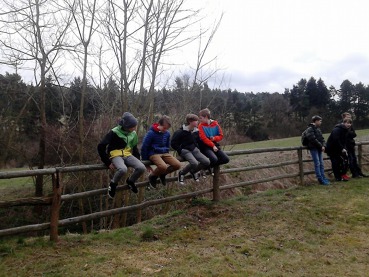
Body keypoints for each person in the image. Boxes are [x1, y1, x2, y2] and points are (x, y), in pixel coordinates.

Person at [97, 112, 146, 198]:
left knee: (141, 167)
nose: (135, 128)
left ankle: (131, 181)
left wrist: (138, 160)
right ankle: (112, 185)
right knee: (123, 169)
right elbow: (101, 146)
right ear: (126, 127)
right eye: (133, 127)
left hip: (127, 154)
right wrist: (107, 162)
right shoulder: (114, 132)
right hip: (115, 155)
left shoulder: (133, 134)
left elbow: (134, 148)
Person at [141, 115, 181, 188]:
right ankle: (152, 176)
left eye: (167, 128)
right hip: (153, 153)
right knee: (163, 166)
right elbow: (144, 147)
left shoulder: (167, 133)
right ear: (159, 124)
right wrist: (145, 162)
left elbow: (167, 145)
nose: (165, 130)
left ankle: (162, 174)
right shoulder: (151, 133)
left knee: (177, 164)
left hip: (164, 152)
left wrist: (167, 153)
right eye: (164, 128)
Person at [171, 114, 211, 185]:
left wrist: (206, 146)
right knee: (194, 163)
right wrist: (180, 150)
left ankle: (193, 171)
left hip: (194, 149)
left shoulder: (196, 131)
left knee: (207, 161)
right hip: (185, 150)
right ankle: (182, 173)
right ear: (190, 121)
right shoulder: (180, 132)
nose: (197, 122)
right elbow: (173, 143)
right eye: (196, 121)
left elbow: (199, 141)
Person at [197, 108, 229, 175]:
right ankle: (202, 168)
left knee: (226, 159)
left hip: (214, 144)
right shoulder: (200, 126)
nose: (200, 120)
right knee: (214, 159)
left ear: (206, 117)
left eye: (201, 118)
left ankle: (206, 167)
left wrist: (214, 138)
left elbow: (221, 135)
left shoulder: (215, 124)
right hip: (205, 146)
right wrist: (213, 145)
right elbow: (204, 139)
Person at [304, 115, 330, 185]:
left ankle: (323, 177)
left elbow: (322, 139)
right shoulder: (310, 129)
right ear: (316, 121)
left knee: (321, 163)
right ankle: (320, 179)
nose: (321, 122)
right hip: (314, 148)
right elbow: (312, 139)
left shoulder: (318, 129)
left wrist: (324, 145)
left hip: (319, 148)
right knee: (317, 163)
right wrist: (321, 146)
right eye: (320, 121)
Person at [326, 117, 352, 182]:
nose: (349, 124)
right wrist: (342, 148)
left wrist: (345, 148)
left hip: (339, 148)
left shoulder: (346, 130)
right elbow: (336, 140)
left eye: (350, 123)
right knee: (335, 163)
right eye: (347, 123)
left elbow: (344, 141)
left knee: (344, 161)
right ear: (343, 123)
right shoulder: (337, 129)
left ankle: (343, 174)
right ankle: (338, 177)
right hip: (332, 149)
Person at [341, 112, 367, 178]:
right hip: (346, 146)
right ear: (344, 117)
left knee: (355, 159)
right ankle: (354, 174)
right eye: (348, 117)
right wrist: (350, 132)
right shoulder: (341, 126)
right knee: (351, 160)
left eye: (350, 117)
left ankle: (359, 173)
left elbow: (354, 134)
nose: (349, 118)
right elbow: (345, 136)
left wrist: (350, 132)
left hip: (351, 144)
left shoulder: (350, 125)